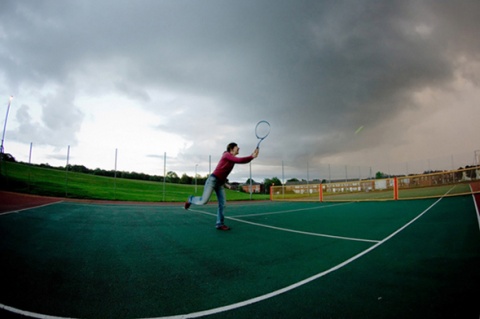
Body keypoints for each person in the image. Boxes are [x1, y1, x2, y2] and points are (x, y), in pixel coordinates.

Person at [184, 142, 259, 230]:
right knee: (203, 201)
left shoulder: (232, 158)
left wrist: (252, 156)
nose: (239, 148)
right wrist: (251, 156)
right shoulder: (226, 155)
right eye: (236, 147)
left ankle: (219, 223)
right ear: (231, 149)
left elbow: (242, 161)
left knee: (222, 204)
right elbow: (239, 160)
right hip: (212, 180)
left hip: (220, 183)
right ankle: (190, 199)